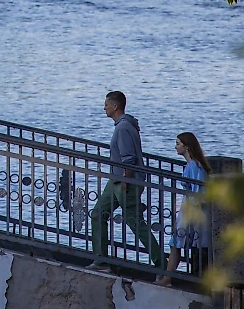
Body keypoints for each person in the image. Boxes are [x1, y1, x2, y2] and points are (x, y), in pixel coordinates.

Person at [90, 91, 163, 269]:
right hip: (116, 179)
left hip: (125, 182)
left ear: (115, 106)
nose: (104, 108)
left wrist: (125, 180)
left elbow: (129, 158)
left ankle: (161, 265)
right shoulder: (123, 125)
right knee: (98, 214)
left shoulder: (123, 128)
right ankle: (101, 260)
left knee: (135, 223)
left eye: (106, 104)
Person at [157, 132, 211, 286]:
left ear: (187, 147)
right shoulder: (193, 165)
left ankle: (168, 278)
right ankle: (170, 276)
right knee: (178, 243)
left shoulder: (194, 165)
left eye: (178, 143)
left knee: (176, 243)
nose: (175, 146)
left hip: (192, 211)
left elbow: (198, 190)